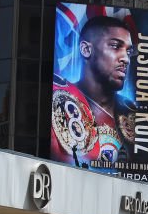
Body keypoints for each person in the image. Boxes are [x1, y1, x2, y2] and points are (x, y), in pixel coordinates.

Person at [52, 15, 136, 167]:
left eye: (129, 52)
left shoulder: (133, 113)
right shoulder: (58, 99)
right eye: (116, 46)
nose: (126, 59)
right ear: (86, 49)